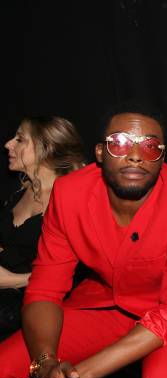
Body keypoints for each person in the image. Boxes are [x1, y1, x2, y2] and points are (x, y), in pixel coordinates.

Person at [0, 101, 167, 378]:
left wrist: (85, 374)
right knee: (4, 377)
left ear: (162, 158)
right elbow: (44, 290)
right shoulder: (69, 194)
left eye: (150, 147)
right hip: (106, 307)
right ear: (100, 153)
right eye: (119, 143)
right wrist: (45, 366)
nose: (135, 155)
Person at [0, 116, 85, 340]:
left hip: (32, 309)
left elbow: (80, 276)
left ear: (45, 149)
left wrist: (13, 280)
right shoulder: (20, 188)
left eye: (19, 139)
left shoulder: (71, 201)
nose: (8, 144)